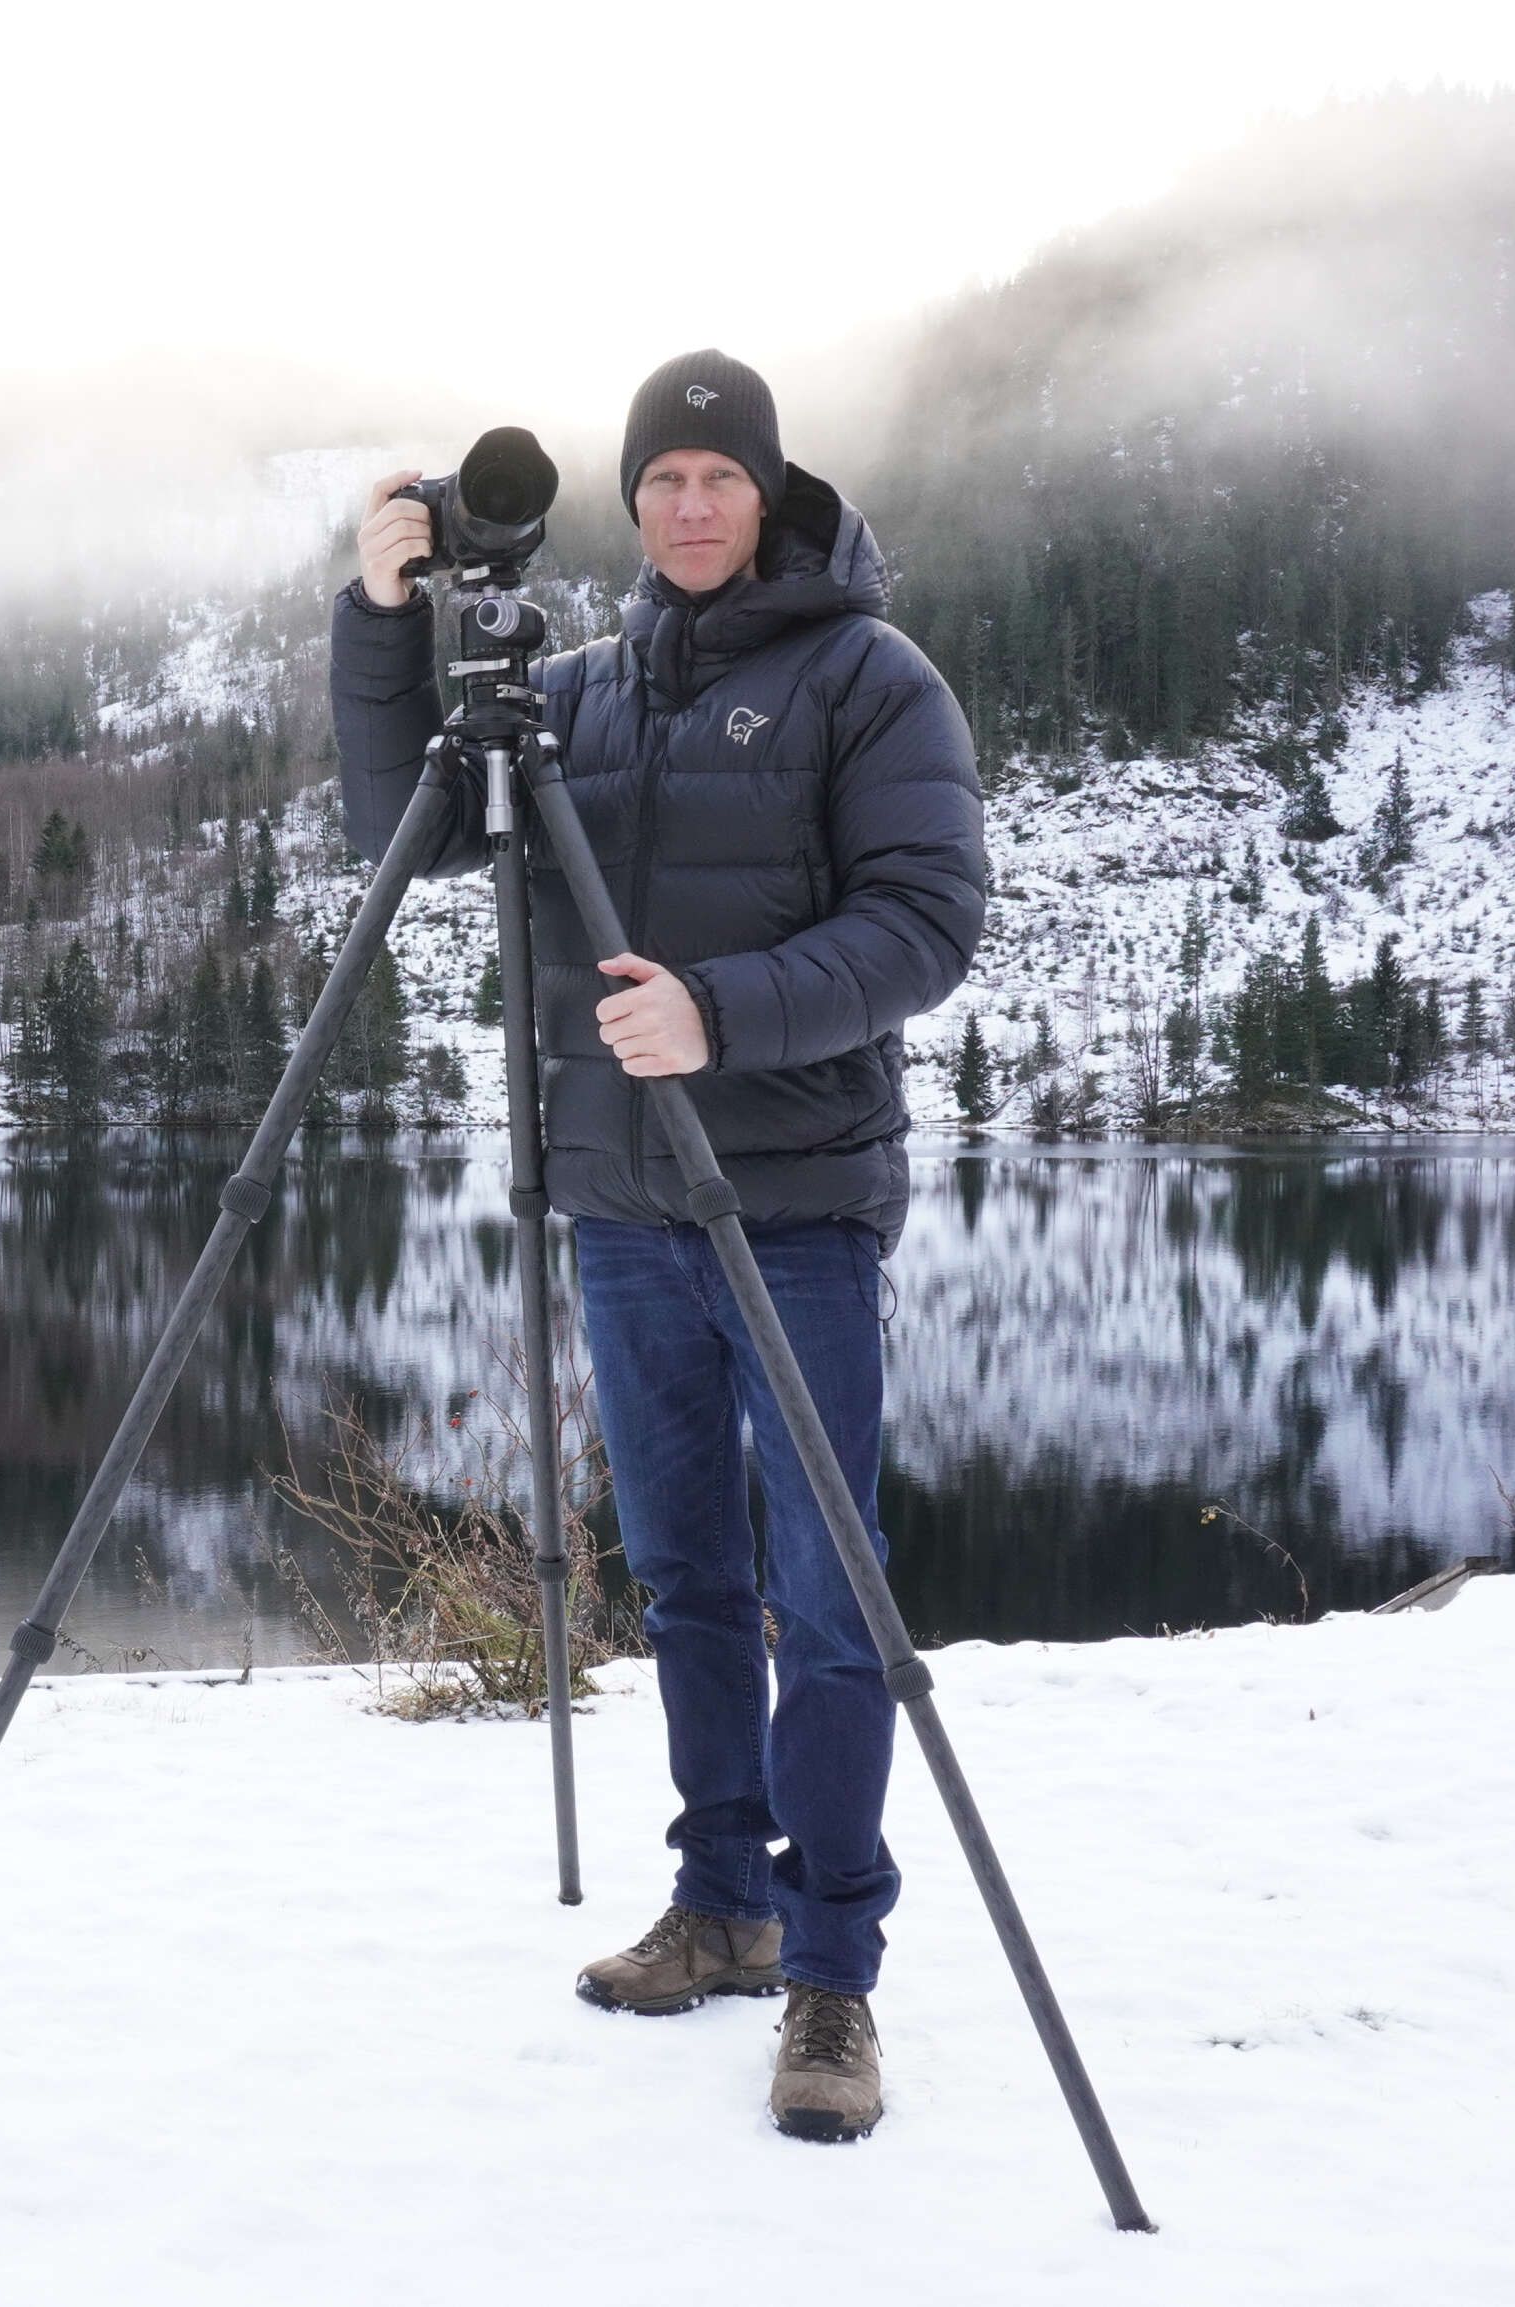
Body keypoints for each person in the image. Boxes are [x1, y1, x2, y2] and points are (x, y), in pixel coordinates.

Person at [329, 350, 986, 2142]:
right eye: (663, 481)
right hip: (623, 1212)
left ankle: (833, 1974)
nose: (691, 505)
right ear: (632, 506)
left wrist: (720, 1010)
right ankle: (722, 1902)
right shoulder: (579, 696)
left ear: (770, 493)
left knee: (827, 1599)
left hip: (796, 1206)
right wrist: (381, 634)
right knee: (687, 1580)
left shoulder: (869, 677)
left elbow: (927, 924)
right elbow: (402, 837)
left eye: (720, 477)